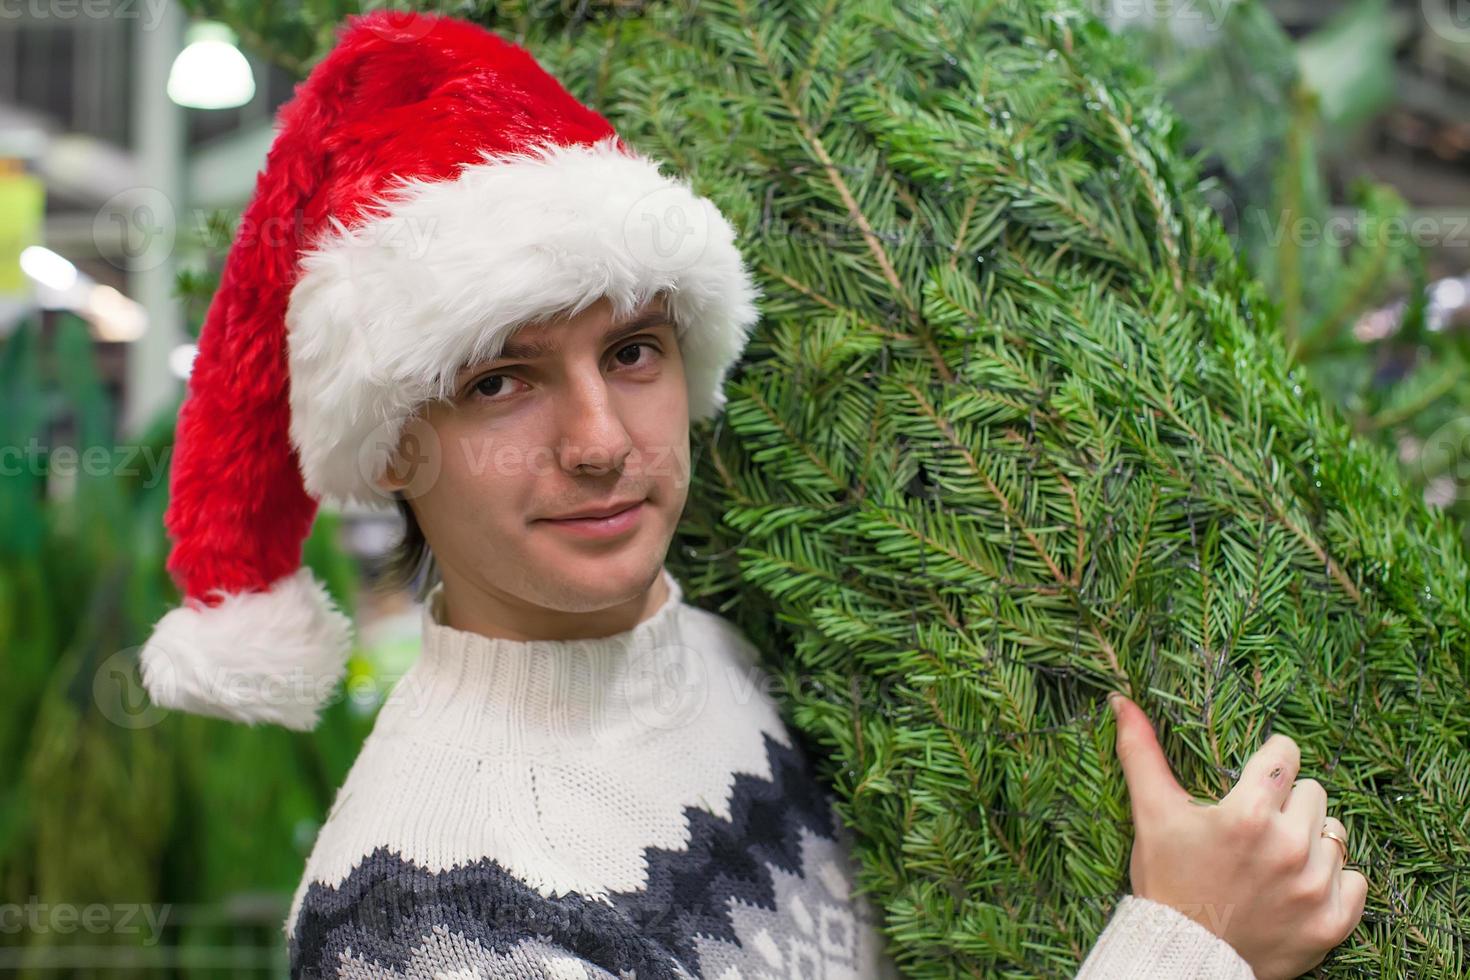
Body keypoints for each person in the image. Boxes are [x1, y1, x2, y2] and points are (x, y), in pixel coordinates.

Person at [134, 11, 1365, 979]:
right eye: (503, 380)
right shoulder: (423, 923)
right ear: (394, 445)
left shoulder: (731, 655)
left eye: (633, 351)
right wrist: (1190, 943)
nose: (602, 440)